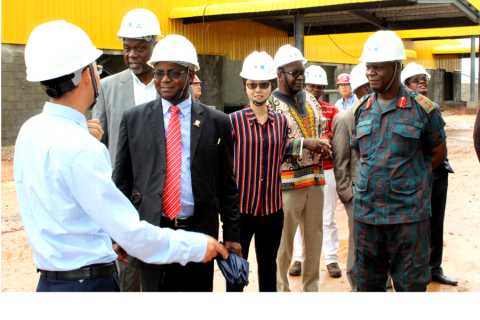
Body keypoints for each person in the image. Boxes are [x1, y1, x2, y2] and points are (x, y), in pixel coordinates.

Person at [14, 21, 227, 295]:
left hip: (49, 282)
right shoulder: (82, 148)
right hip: (89, 284)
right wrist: (198, 246)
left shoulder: (30, 131)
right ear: (87, 75)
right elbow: (133, 234)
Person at [113, 35, 241, 294]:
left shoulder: (217, 122)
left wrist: (232, 233)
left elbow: (227, 183)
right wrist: (119, 233)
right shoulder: (134, 119)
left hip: (199, 233)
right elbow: (121, 182)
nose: (164, 79)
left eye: (173, 72)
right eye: (158, 72)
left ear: (191, 74)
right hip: (152, 231)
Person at [351, 31, 447, 294]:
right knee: (368, 285)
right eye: (368, 67)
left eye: (378, 67)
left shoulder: (423, 109)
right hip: (367, 217)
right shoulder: (362, 109)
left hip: (408, 218)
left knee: (410, 286)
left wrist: (411, 180)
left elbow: (438, 154)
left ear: (396, 66)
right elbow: (361, 154)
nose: (370, 73)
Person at [92, 8, 161, 295]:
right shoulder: (107, 88)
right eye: (127, 48)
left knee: (159, 270)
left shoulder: (169, 85)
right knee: (126, 273)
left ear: (154, 46)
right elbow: (97, 142)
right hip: (121, 195)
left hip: (160, 194)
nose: (132, 54)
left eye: (140, 48)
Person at [227, 52, 292, 294]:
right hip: (241, 210)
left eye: (263, 85)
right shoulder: (233, 121)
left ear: (271, 86)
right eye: (252, 85)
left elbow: (281, 154)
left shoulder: (281, 122)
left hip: (272, 210)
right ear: (245, 87)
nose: (258, 90)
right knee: (235, 271)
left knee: (268, 269)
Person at [271, 45, 331, 294]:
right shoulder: (271, 103)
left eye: (301, 72)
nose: (300, 77)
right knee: (283, 245)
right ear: (280, 74)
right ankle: (281, 290)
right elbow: (266, 143)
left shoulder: (311, 100)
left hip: (315, 180)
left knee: (314, 242)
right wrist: (303, 143)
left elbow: (321, 129)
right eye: (294, 73)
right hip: (286, 185)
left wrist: (324, 143)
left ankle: (311, 289)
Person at [402, 62, 458, 287]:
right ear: (406, 85)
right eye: (416, 79)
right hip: (411, 177)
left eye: (424, 78)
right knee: (412, 225)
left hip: (437, 173)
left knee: (435, 223)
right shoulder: (401, 107)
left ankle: (434, 268)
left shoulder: (433, 107)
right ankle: (413, 271)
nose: (422, 81)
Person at [290, 65, 342, 279]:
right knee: (298, 217)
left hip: (326, 170)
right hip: (299, 171)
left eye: (320, 87)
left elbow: (334, 134)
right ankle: (299, 258)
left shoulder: (331, 110)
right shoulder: (291, 108)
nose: (316, 90)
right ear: (304, 85)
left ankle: (331, 259)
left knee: (328, 218)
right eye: (312, 85)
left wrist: (325, 142)